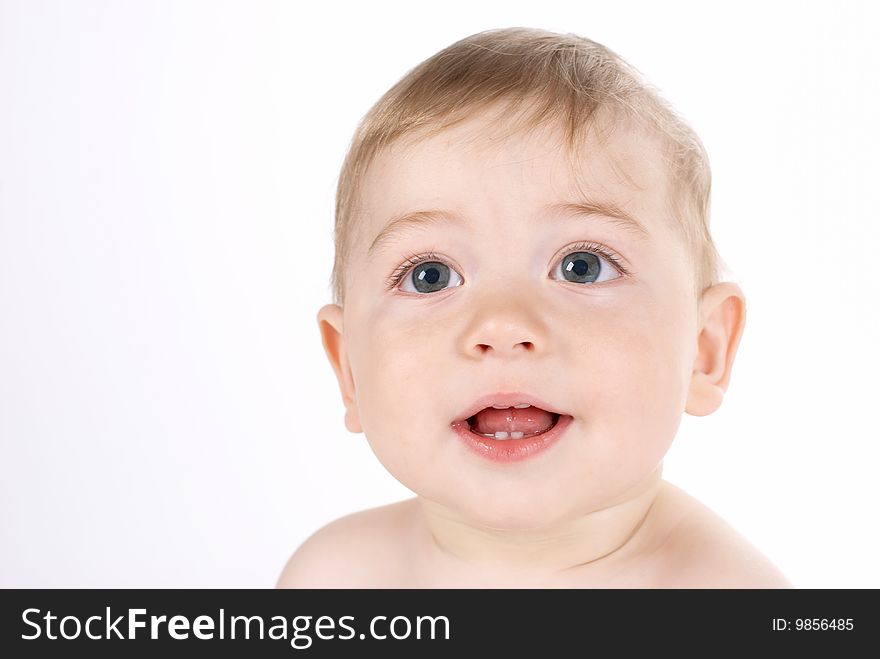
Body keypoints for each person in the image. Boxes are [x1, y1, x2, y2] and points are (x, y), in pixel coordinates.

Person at [277, 27, 792, 588]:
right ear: (349, 366)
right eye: (430, 277)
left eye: (582, 265)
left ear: (703, 349)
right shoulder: (332, 581)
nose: (502, 325)